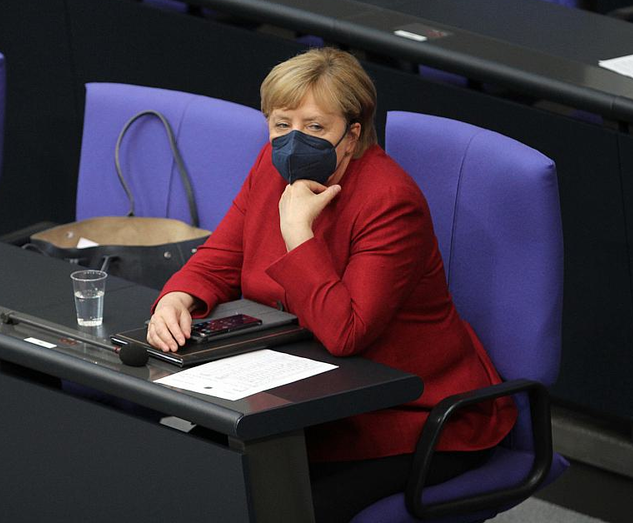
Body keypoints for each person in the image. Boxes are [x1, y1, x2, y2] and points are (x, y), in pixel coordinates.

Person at [147, 47, 517, 522]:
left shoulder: (389, 202)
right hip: (303, 398)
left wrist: (297, 232)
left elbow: (347, 332)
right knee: (188, 475)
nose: (293, 140)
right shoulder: (270, 166)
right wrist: (178, 296)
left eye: (315, 127)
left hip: (407, 413)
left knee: (278, 509)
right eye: (281, 124)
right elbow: (222, 255)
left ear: (352, 133)